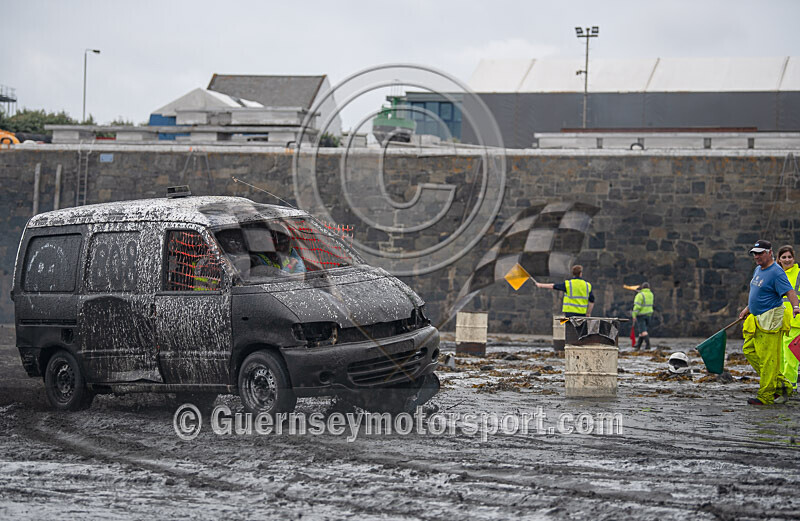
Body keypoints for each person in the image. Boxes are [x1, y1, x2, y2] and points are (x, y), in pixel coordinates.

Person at [738, 240, 800, 405]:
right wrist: (747, 309)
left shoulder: (776, 272)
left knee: (768, 360)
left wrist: (795, 307)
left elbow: (790, 291)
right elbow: (757, 293)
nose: (756, 256)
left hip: (770, 320)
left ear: (769, 253)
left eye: (760, 253)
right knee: (749, 350)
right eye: (754, 253)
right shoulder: (758, 269)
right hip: (756, 319)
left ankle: (765, 396)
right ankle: (782, 385)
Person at [777, 245, 800, 391]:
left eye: (789, 257)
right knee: (780, 354)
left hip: (796, 320)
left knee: (790, 354)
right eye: (784, 257)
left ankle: (790, 383)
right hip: (779, 319)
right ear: (779, 259)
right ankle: (782, 382)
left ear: (794, 258)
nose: (787, 260)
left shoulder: (798, 273)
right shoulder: (776, 274)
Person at [632, 282, 654, 350]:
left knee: (643, 331)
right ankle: (638, 345)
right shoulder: (651, 294)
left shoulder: (640, 295)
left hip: (641, 315)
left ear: (642, 287)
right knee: (642, 330)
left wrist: (634, 315)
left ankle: (648, 345)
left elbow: (637, 306)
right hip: (649, 314)